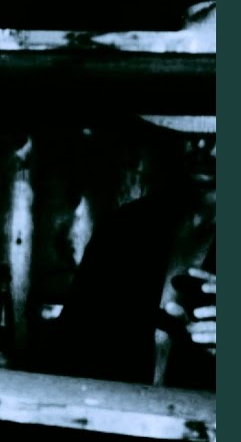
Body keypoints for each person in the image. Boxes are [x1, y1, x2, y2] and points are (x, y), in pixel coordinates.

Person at [52, 120, 217, 390]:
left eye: (218, 133)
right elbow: (69, 345)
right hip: (113, 412)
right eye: (191, 131)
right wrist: (10, 369)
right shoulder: (123, 228)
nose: (201, 145)